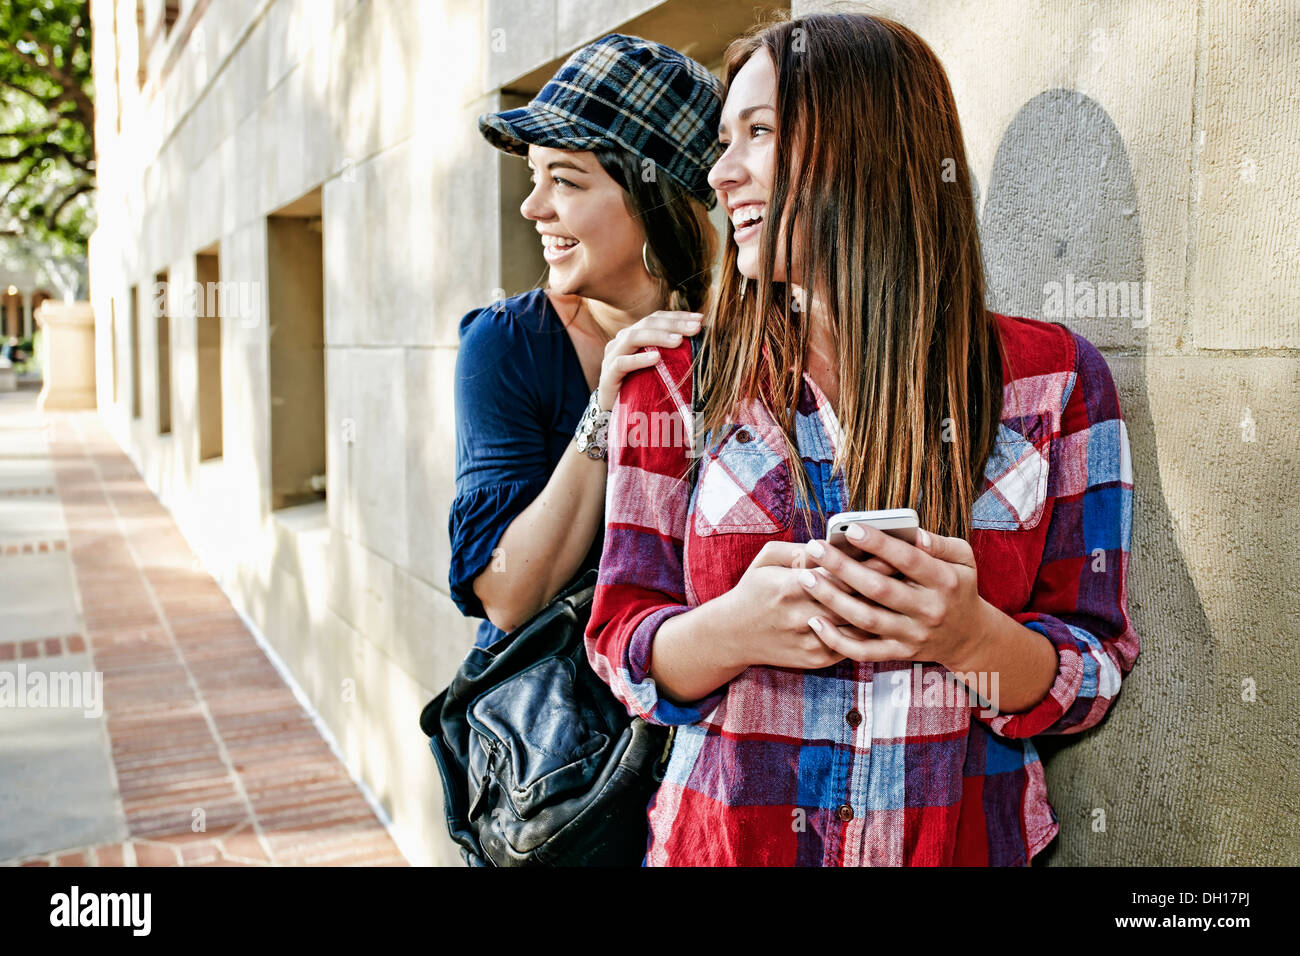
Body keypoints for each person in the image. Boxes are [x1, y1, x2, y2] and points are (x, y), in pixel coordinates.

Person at [584, 12, 1140, 866]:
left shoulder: (1056, 382)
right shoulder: (675, 376)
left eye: (758, 133)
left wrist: (968, 638)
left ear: (870, 146)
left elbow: (1093, 667)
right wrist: (732, 630)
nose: (720, 173)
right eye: (721, 142)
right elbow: (622, 643)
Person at [448, 34, 723, 649]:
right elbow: (507, 596)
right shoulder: (509, 343)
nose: (531, 207)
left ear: (656, 200)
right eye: (533, 176)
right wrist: (606, 409)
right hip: (571, 730)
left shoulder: (748, 334)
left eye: (565, 181)